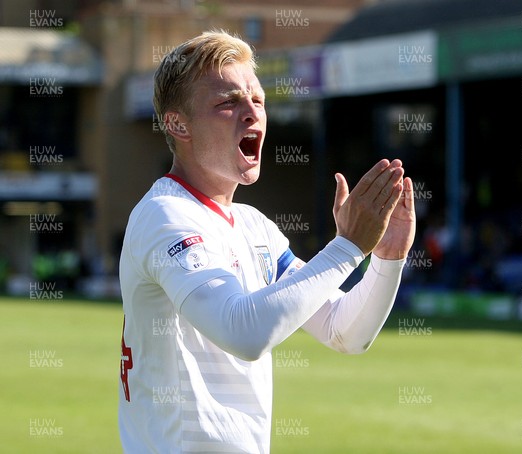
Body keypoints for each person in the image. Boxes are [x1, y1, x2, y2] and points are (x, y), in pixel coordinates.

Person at [118, 29, 416, 453]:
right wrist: (347, 247)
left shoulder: (254, 226)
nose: (251, 113)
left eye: (257, 99)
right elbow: (245, 333)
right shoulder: (165, 215)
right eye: (227, 102)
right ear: (177, 123)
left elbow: (344, 332)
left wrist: (386, 258)